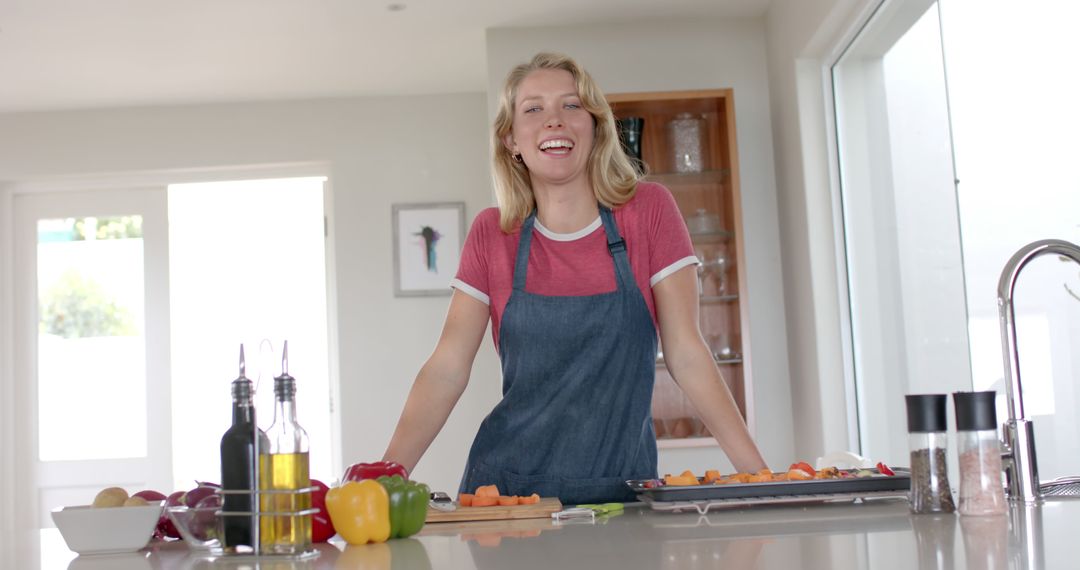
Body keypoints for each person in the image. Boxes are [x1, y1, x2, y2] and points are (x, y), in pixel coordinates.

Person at [383, 52, 767, 503]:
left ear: (595, 125)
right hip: (509, 500)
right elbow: (446, 369)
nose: (554, 121)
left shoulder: (648, 212)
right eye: (533, 109)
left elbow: (687, 354)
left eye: (571, 105)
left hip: (624, 495)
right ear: (511, 139)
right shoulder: (494, 233)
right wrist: (384, 477)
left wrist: (762, 478)